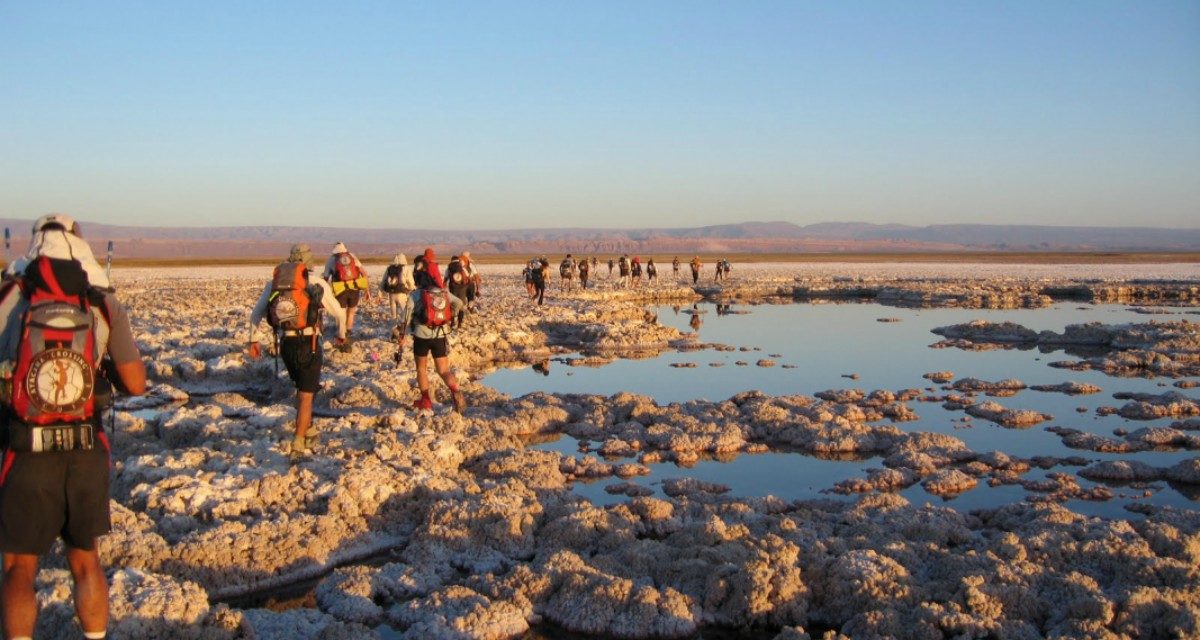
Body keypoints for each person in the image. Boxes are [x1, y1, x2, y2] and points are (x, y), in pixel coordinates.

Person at [0, 215, 147, 640]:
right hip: (85, 450)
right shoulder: (101, 303)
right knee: (86, 562)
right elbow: (137, 384)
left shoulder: (11, 295)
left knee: (18, 567)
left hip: (25, 449)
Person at [250, 244, 347, 458]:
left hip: (285, 345)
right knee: (305, 395)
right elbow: (339, 314)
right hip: (309, 344)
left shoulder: (275, 284)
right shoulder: (316, 283)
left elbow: (256, 314)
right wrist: (341, 335)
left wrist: (253, 340)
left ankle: (309, 429)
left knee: (301, 389)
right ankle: (298, 444)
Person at [395, 258, 466, 413]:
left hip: (421, 336)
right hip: (440, 335)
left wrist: (402, 335)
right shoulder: (443, 292)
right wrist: (449, 316)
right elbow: (459, 303)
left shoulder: (416, 295)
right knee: (444, 370)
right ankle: (455, 391)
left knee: (421, 369)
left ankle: (425, 400)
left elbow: (405, 318)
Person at [322, 242, 368, 340]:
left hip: (340, 289)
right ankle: (349, 331)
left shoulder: (331, 259)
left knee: (340, 312)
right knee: (351, 312)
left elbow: (326, 277)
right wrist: (366, 289)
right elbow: (364, 273)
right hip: (354, 288)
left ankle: (341, 332)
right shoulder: (352, 256)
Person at [380, 253, 416, 320]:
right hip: (401, 293)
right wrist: (412, 289)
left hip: (391, 294)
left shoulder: (390, 268)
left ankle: (395, 326)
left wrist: (380, 292)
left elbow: (384, 280)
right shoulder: (406, 268)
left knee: (393, 315)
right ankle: (403, 327)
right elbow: (410, 281)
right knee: (404, 313)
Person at [444, 255, 470, 329]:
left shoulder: (449, 268)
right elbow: (468, 277)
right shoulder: (462, 267)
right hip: (462, 288)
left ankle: (452, 322)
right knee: (461, 305)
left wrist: (444, 287)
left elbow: (445, 279)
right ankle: (459, 323)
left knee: (453, 304)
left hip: (453, 288)